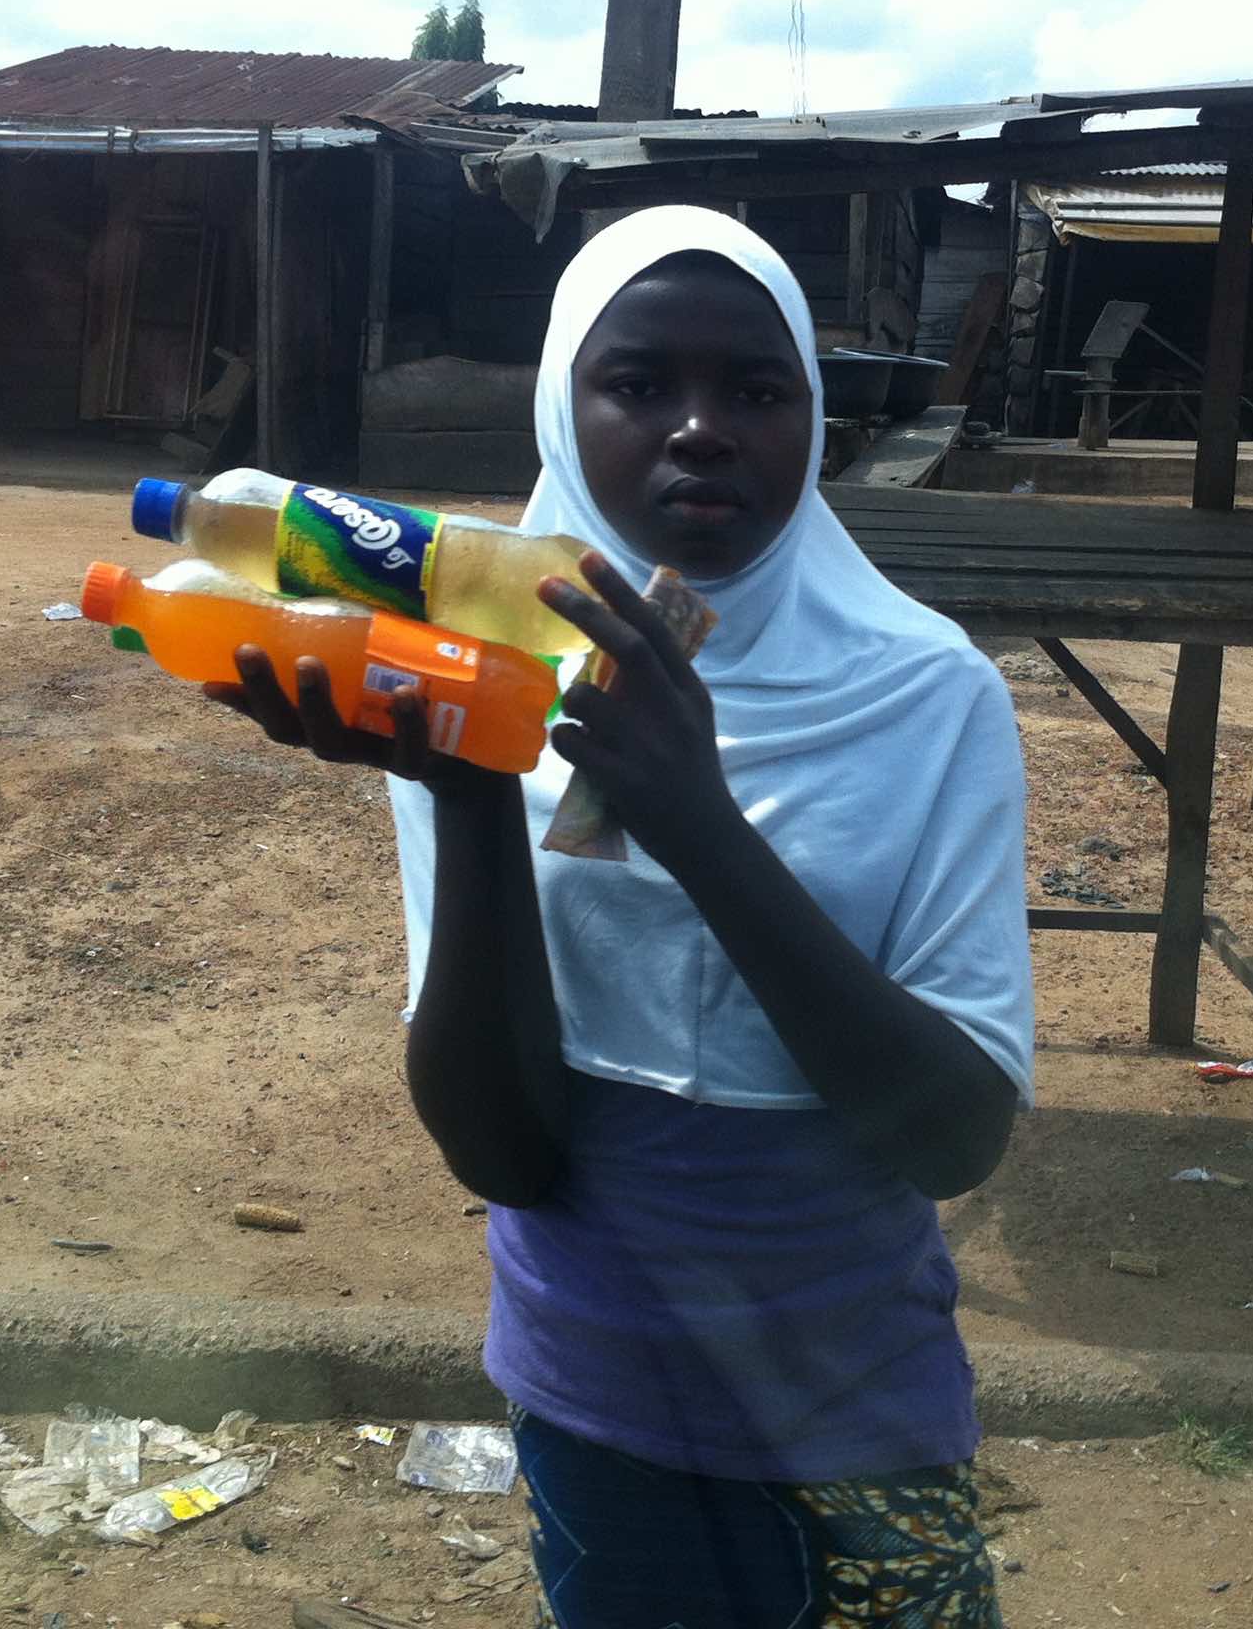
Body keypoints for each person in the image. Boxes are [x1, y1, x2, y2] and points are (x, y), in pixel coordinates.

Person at [209, 206, 1032, 1626]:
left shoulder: (929, 696)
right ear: (557, 407)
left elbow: (954, 1136)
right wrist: (470, 790)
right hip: (599, 1393)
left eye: (759, 392)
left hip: (855, 1400)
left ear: (816, 421)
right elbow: (509, 1152)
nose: (702, 428)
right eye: (640, 384)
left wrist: (697, 821)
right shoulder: (474, 679)